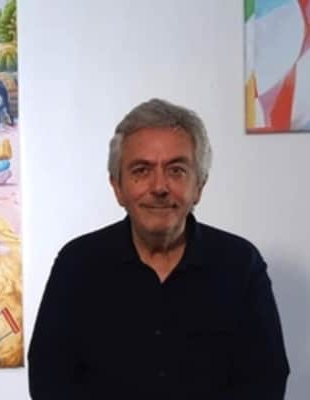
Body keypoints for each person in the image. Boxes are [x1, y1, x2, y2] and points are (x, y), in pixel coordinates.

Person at [27, 98, 289, 399]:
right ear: (117, 187)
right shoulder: (78, 264)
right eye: (141, 170)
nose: (159, 187)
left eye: (176, 171)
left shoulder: (240, 264)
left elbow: (265, 379)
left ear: (199, 186)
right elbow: (49, 380)